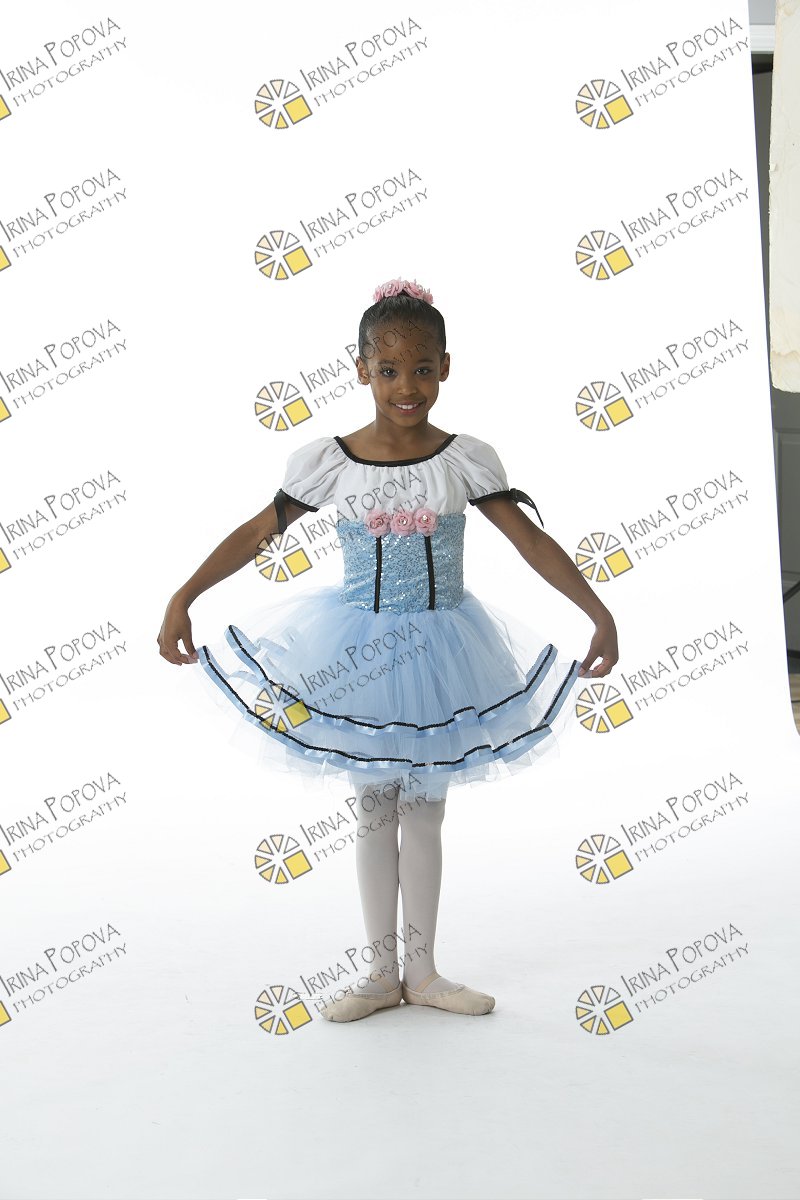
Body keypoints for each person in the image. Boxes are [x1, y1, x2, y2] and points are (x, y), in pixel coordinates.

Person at [157, 277, 619, 1022]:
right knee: (373, 809)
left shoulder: (465, 460)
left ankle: (425, 973)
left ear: (446, 367)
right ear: (362, 369)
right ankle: (379, 974)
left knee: (426, 811)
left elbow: (530, 541)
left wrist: (598, 612)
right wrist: (184, 595)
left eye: (423, 369)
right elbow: (258, 532)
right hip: (359, 655)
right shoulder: (330, 460)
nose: (408, 387)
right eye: (390, 370)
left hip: (444, 649)